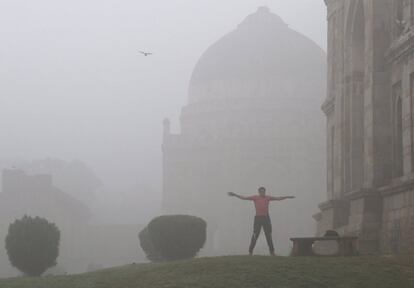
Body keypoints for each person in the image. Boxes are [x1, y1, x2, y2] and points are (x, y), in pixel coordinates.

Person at [228, 187, 295, 256]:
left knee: (268, 235)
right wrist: (235, 195)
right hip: (258, 218)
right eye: (261, 192)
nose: (263, 193)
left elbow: (278, 198)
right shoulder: (255, 197)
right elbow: (244, 198)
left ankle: (272, 252)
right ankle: (250, 252)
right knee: (255, 235)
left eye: (264, 192)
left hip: (266, 218)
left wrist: (287, 197)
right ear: (259, 192)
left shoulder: (268, 197)